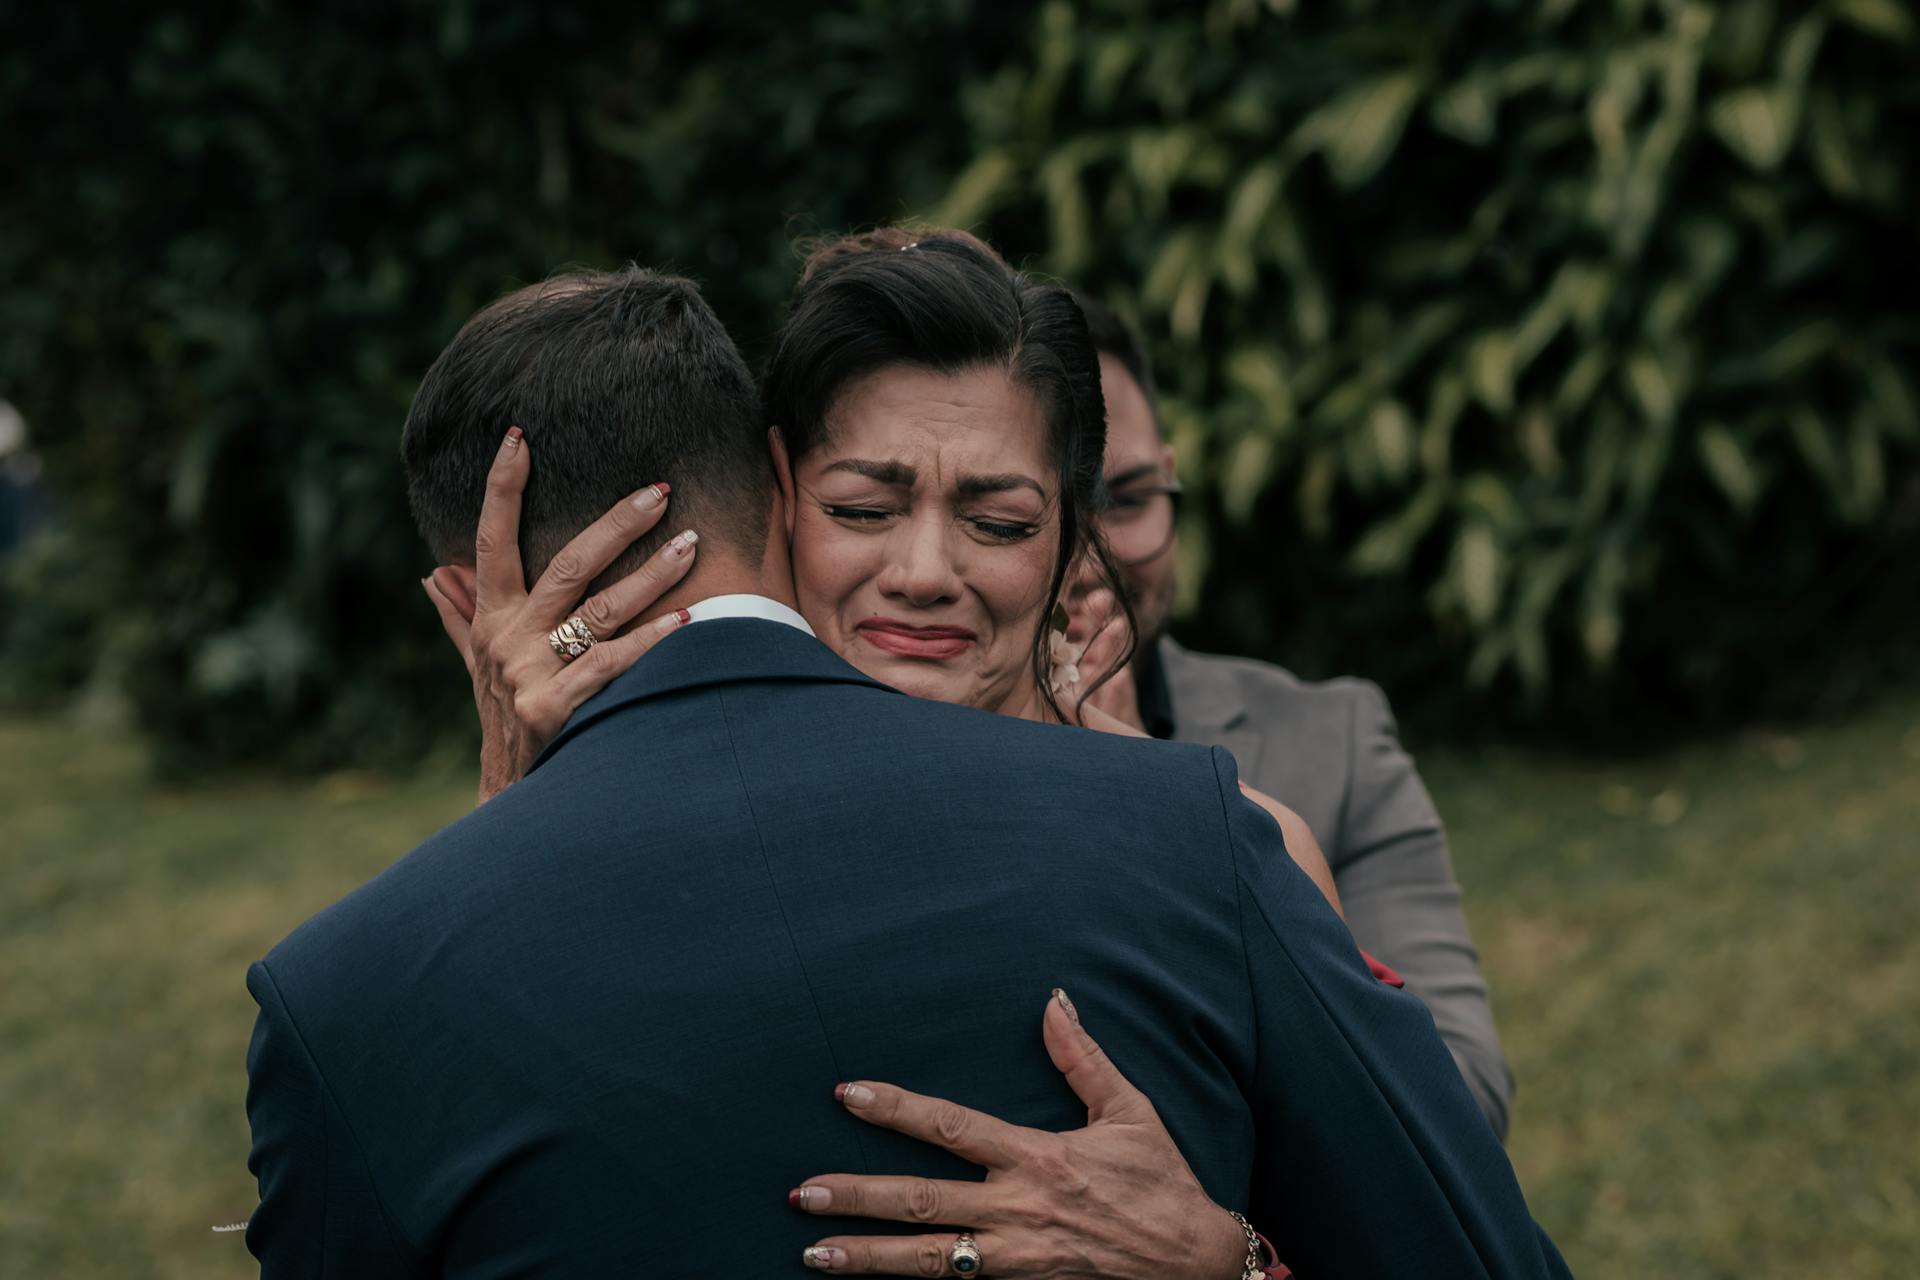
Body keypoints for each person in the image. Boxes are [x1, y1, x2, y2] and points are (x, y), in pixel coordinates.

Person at [240, 239, 1572, 1275]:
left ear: (1067, 542)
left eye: (996, 518)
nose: (924, 573)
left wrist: (1223, 1258)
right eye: (864, 507)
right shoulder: (472, 913)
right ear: (770, 498)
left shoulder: (1215, 838)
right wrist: (534, 800)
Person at [1058, 293, 1515, 1138]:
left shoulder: (1332, 741)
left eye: (1127, 498)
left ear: (1170, 473)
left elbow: (1465, 1103)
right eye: (1040, 510)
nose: (1094, 557)